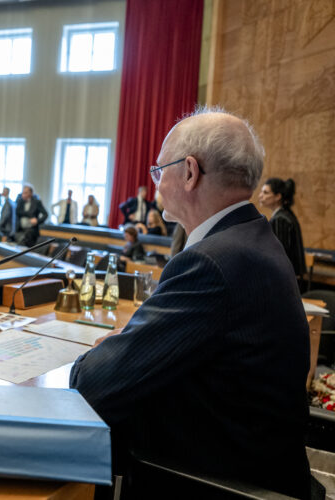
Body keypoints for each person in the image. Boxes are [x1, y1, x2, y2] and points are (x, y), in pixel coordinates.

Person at [69, 108, 311, 497]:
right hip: (261, 469)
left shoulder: (211, 263)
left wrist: (111, 352)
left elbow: (91, 385)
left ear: (189, 172)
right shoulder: (253, 239)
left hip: (210, 482)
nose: (157, 181)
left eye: (159, 169)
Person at [259, 178, 306, 278]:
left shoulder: (281, 219)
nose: (260, 196)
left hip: (287, 279)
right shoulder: (286, 214)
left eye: (265, 192)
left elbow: (279, 256)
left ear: (278, 196)